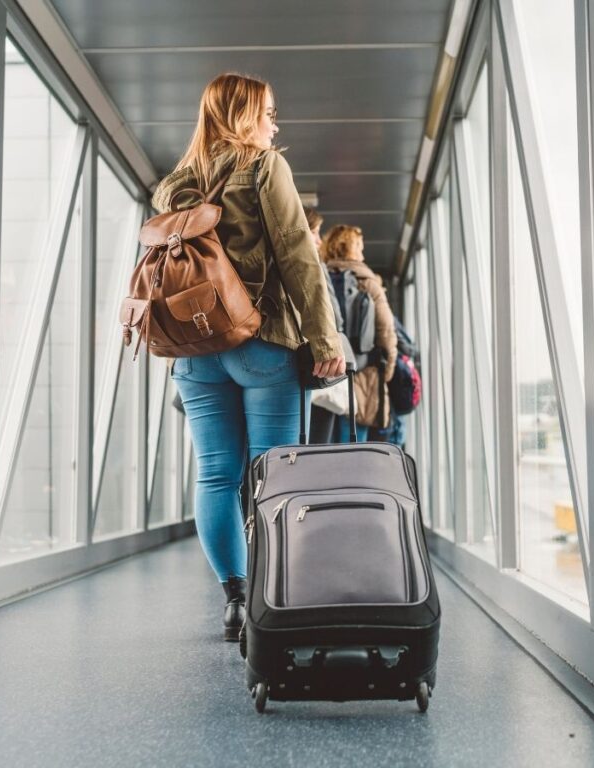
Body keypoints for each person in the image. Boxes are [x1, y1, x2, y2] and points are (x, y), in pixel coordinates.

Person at [151, 73, 345, 642]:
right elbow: (297, 255)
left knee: (216, 474)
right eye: (268, 113)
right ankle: (269, 596)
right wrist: (325, 339)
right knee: (272, 475)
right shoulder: (264, 167)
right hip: (261, 342)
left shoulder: (176, 186)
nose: (274, 126)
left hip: (194, 351)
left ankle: (235, 597)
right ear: (244, 115)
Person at [321, 224, 397, 442]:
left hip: (324, 375)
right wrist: (384, 373)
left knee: (319, 448)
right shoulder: (368, 282)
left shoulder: (319, 278)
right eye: (360, 249)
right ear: (350, 248)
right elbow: (386, 332)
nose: (363, 255)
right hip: (362, 377)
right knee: (353, 448)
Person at [303, 207, 342, 444]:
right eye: (315, 232)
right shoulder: (312, 264)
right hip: (315, 365)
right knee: (315, 448)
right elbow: (333, 313)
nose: (319, 241)